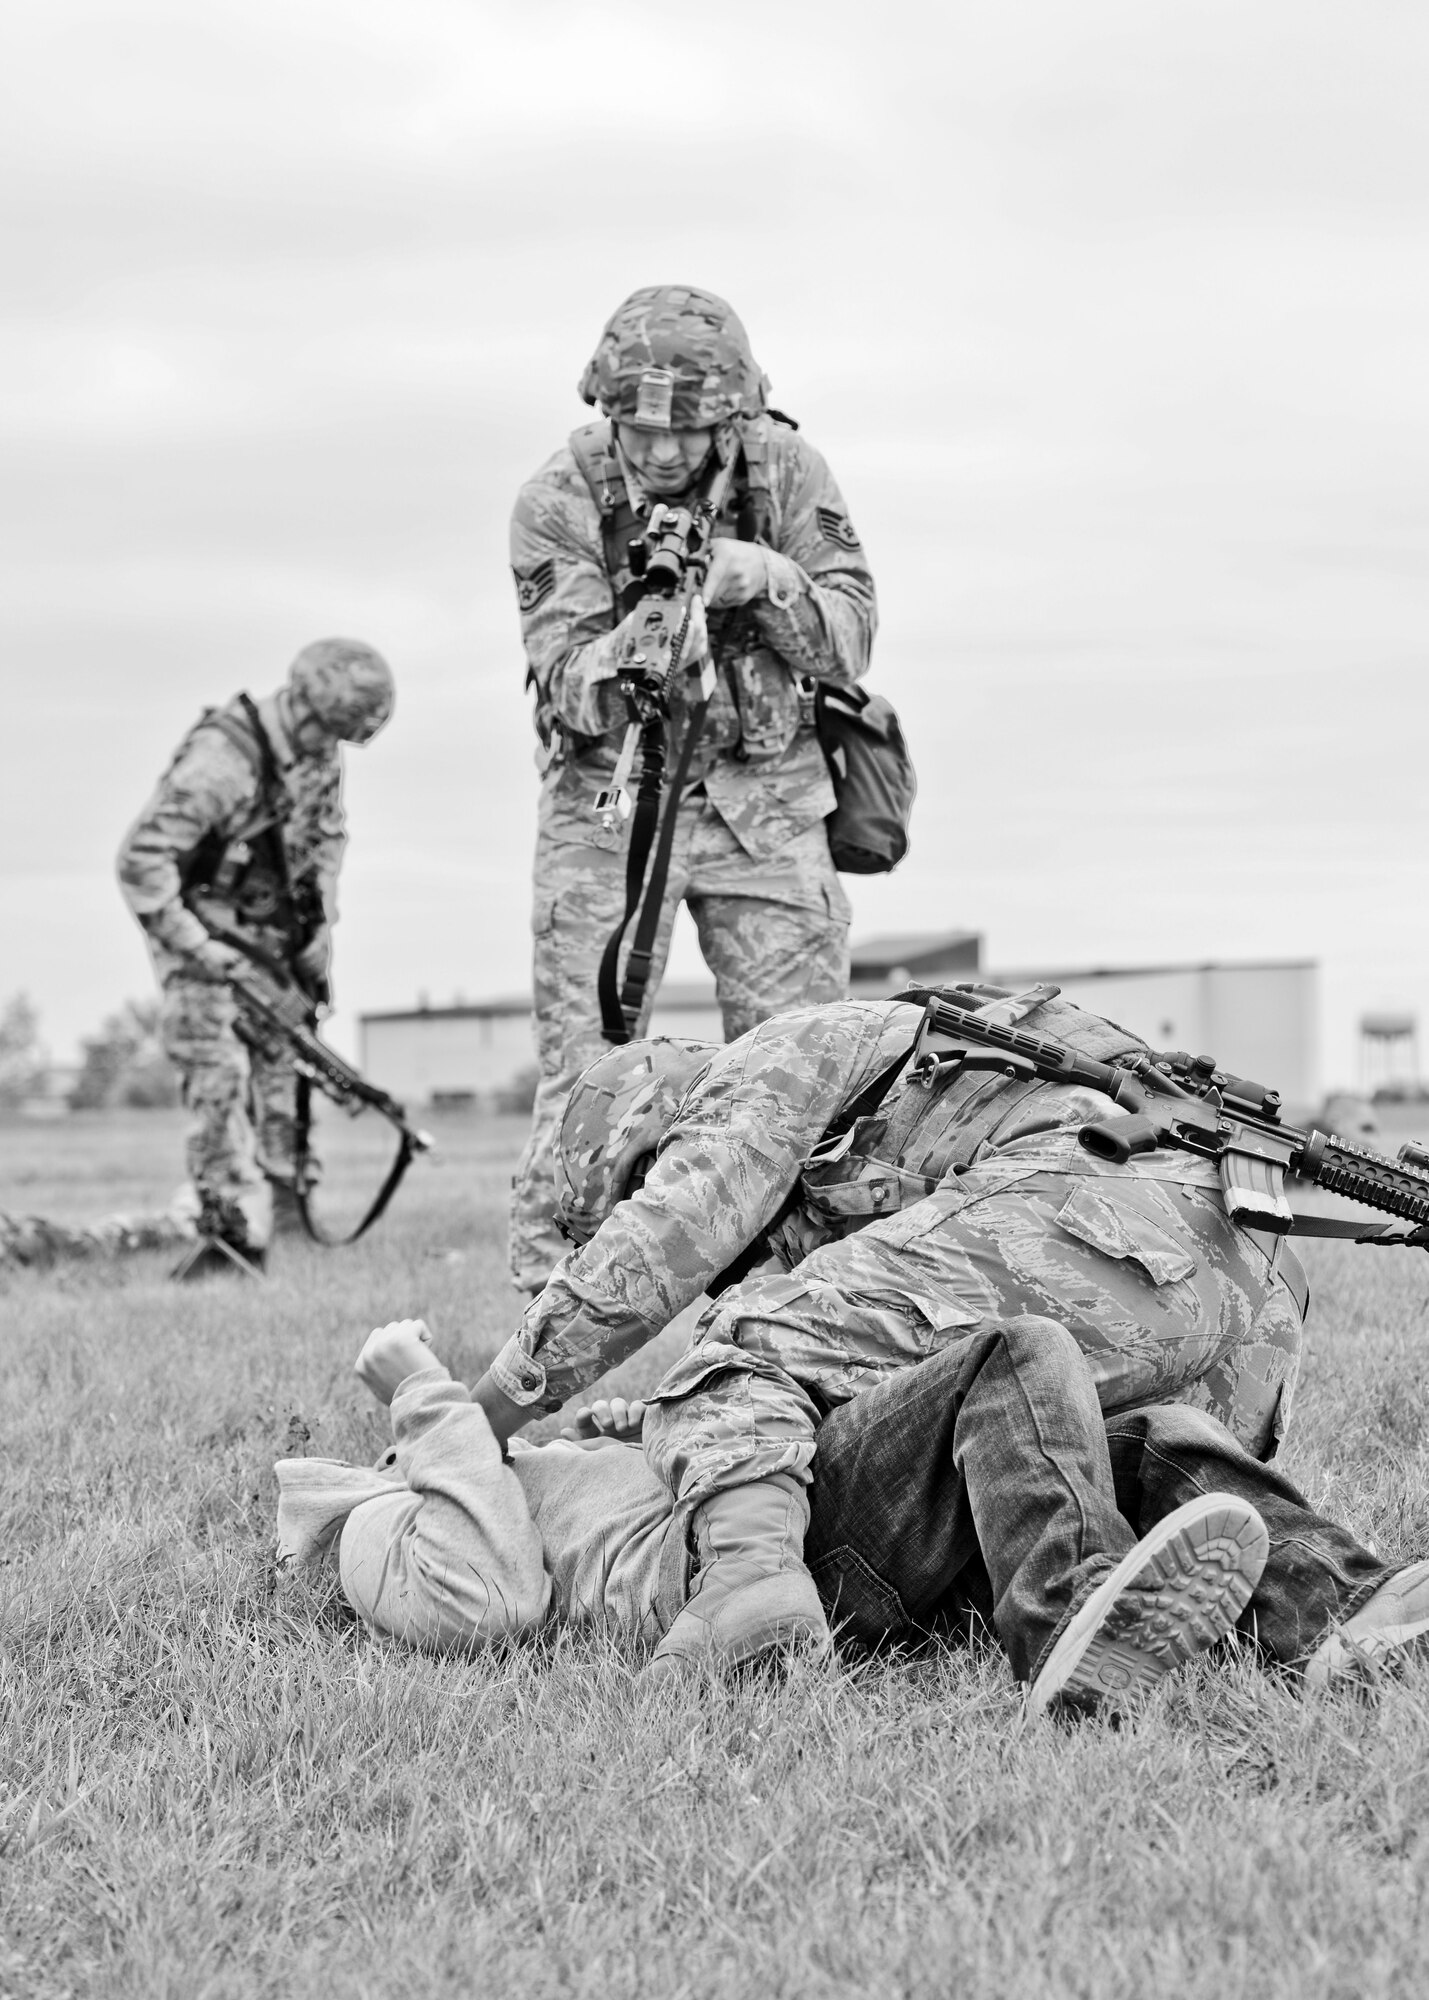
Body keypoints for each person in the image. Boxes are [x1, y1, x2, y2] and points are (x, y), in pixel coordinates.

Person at [470, 992, 1305, 1680]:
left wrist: (472, 1428)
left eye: (640, 1181)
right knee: (1105, 1459)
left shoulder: (750, 1072)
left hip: (1098, 1210)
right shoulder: (879, 1082)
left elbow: (653, 1249)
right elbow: (887, 1382)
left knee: (746, 1341)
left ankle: (746, 1589)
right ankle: (1337, 1599)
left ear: (650, 1123)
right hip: (1247, 1289)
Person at [273, 1316, 1429, 1718]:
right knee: (1012, 1359)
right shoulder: (379, 1522)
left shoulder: (489, 1467)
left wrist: (615, 1433)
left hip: (779, 1520)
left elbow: (569, 1504)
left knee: (1144, 1433)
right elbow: (493, 1595)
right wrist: (420, 1391)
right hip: (759, 1570)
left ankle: (1347, 1614)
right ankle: (1075, 1620)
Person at [507, 284, 877, 1294]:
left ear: (737, 410)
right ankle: (553, 1316)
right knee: (585, 1068)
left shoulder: (788, 471)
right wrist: (639, 648)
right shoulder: (559, 498)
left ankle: (795, 1310)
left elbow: (851, 641)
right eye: (638, 426)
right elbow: (562, 682)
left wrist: (765, 580)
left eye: (692, 427)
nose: (664, 451)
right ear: (604, 407)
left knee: (800, 1070)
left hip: (766, 805)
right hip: (612, 811)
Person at [117, 639, 395, 1274]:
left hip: (271, 943)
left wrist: (317, 934)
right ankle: (233, 1237)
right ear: (300, 705)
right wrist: (199, 947)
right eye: (327, 731)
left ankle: (290, 1216)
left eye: (343, 738)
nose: (332, 749)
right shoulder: (221, 762)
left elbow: (325, 838)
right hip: (202, 944)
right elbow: (141, 861)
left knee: (283, 1080)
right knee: (218, 1084)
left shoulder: (319, 753)